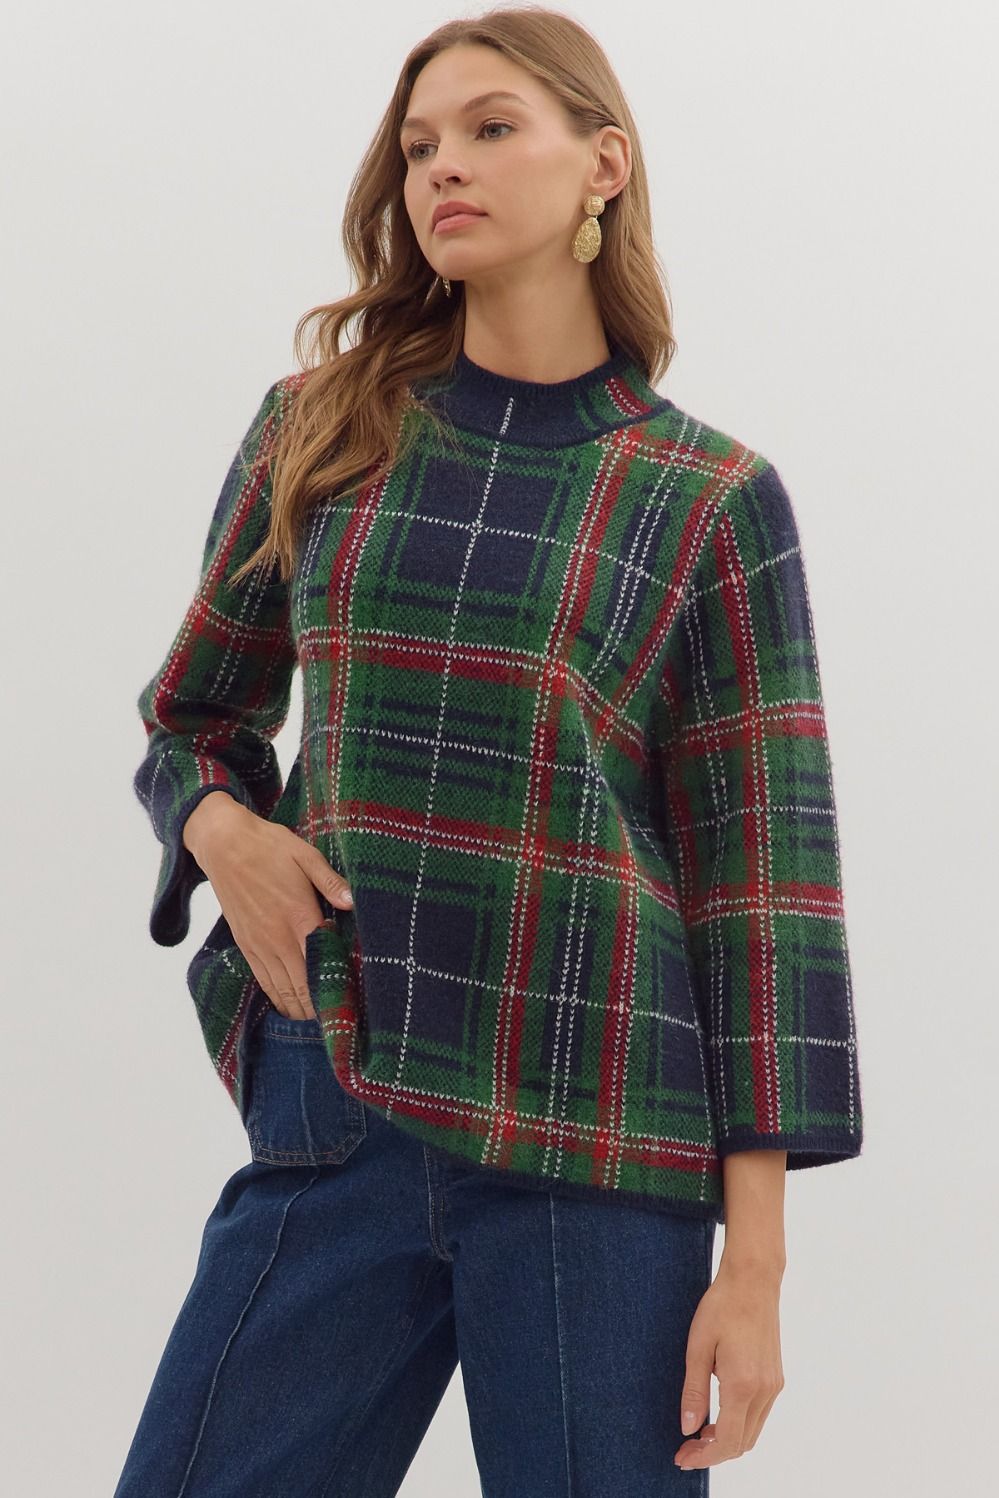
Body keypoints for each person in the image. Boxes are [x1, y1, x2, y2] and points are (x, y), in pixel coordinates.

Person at [116, 8, 864, 1495]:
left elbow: (763, 893)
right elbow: (191, 714)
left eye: (489, 128)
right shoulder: (319, 431)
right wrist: (224, 832)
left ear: (604, 165)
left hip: (603, 1145)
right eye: (417, 146)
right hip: (341, 1106)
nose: (441, 168)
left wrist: (756, 1266)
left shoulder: (704, 497)